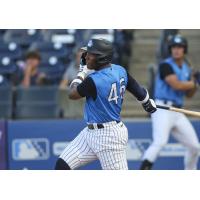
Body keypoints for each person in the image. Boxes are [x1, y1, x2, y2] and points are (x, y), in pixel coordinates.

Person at [55, 38, 157, 170]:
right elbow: (137, 89)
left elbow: (72, 94)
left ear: (101, 58)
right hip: (90, 133)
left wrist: (81, 73)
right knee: (62, 165)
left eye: (91, 54)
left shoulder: (94, 80)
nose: (86, 57)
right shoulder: (120, 70)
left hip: (108, 137)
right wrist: (147, 102)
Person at [140, 35, 200, 170]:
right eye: (174, 47)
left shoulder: (186, 68)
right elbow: (177, 85)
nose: (176, 50)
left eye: (180, 47)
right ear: (170, 49)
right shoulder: (165, 65)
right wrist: (194, 82)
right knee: (160, 141)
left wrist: (195, 84)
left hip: (178, 111)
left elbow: (189, 95)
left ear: (185, 49)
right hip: (163, 108)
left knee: (194, 146)